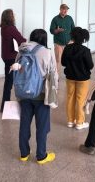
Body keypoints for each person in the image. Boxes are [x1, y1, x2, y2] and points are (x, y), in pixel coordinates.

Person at [16, 29, 58, 164]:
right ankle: (41, 156)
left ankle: (24, 154)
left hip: (23, 94)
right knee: (42, 127)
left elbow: (17, 71)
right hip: (40, 95)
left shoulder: (21, 50)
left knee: (24, 124)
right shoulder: (46, 52)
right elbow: (53, 74)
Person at [61, 27, 94, 130]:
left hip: (70, 77)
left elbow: (63, 63)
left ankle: (70, 121)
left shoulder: (67, 48)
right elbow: (90, 66)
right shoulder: (85, 51)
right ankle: (79, 122)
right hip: (83, 79)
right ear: (84, 38)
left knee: (70, 98)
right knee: (81, 99)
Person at [0, 9, 26, 113]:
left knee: (8, 82)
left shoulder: (4, 28)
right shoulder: (11, 28)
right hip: (13, 58)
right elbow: (21, 40)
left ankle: (4, 105)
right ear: (11, 17)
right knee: (17, 81)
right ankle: (10, 105)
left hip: (6, 57)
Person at [50, 4, 75, 73]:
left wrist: (73, 40)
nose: (65, 10)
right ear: (60, 9)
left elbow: (73, 29)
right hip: (58, 43)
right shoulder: (55, 19)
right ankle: (56, 76)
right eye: (64, 9)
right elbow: (51, 30)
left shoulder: (70, 18)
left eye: (66, 9)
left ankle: (71, 74)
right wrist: (57, 30)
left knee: (71, 59)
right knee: (58, 60)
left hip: (69, 42)